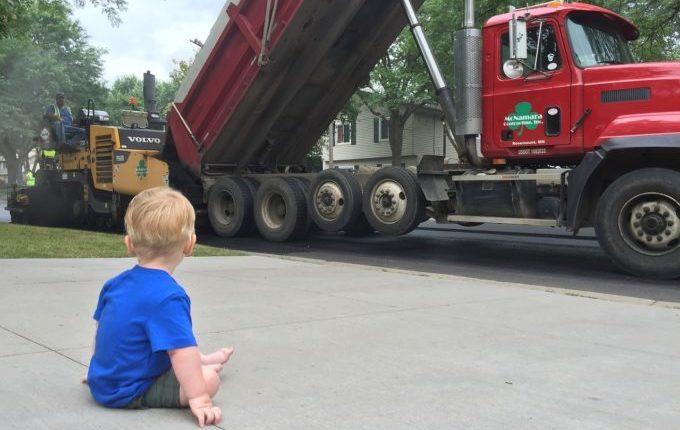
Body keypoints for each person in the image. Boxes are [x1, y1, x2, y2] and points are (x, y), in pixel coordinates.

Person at [87, 186, 234, 427]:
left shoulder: (114, 284)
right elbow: (181, 352)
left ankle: (204, 359)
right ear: (190, 244)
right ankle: (203, 366)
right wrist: (199, 398)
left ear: (129, 243)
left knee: (170, 336)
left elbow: (102, 331)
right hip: (130, 391)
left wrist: (100, 369)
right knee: (208, 378)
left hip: (102, 381)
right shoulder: (169, 297)